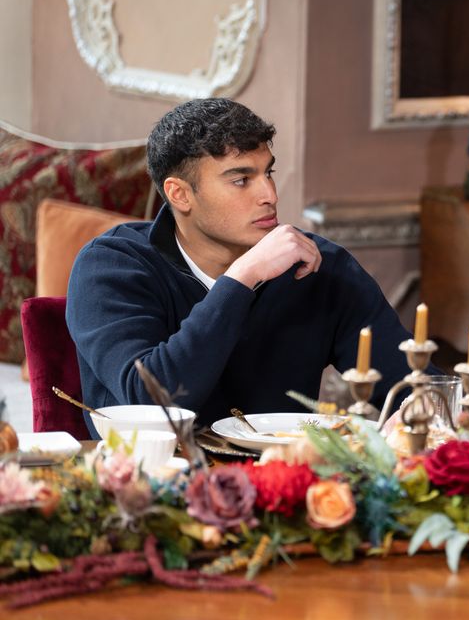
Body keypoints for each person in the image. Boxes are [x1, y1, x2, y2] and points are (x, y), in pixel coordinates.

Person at [67, 98, 414, 437]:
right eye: (241, 180)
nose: (270, 195)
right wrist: (241, 279)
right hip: (150, 485)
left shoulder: (317, 264)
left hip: (285, 483)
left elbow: (413, 388)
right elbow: (153, 404)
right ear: (180, 195)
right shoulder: (111, 267)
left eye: (269, 172)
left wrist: (420, 411)